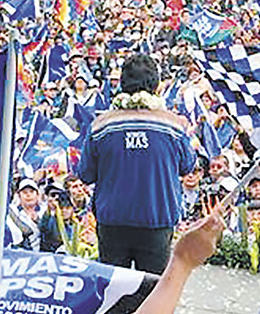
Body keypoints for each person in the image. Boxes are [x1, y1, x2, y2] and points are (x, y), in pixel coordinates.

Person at [76, 53, 196, 274]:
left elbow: (85, 173)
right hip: (156, 221)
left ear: (122, 84)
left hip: (112, 222)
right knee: (153, 295)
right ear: (157, 85)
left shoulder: (101, 125)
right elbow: (187, 166)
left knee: (113, 296)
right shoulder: (174, 125)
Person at [131, 212, 224, 314]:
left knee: (155, 287)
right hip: (155, 218)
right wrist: (183, 261)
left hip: (155, 220)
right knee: (159, 288)